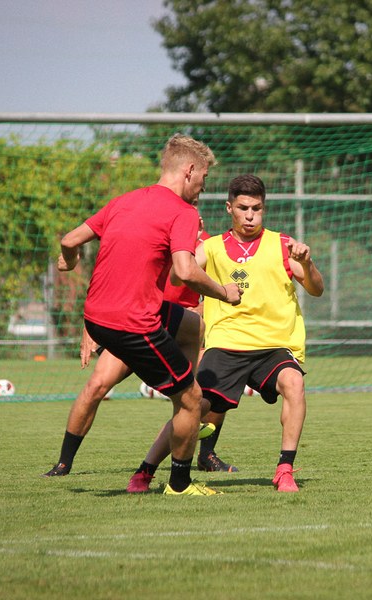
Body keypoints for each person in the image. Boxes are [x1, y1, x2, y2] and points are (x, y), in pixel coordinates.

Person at [57, 133, 242, 496]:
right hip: (133, 324)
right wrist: (224, 292)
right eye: (204, 178)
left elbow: (69, 240)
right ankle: (180, 482)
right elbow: (185, 271)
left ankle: (181, 404)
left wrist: (70, 260)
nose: (203, 187)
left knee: (192, 326)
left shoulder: (123, 201)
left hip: (96, 319)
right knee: (192, 398)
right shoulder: (183, 212)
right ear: (190, 170)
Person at [127, 173, 324, 494]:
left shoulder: (282, 245)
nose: (250, 215)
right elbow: (177, 277)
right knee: (193, 407)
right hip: (226, 346)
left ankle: (285, 470)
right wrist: (185, 246)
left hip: (273, 346)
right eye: (243, 208)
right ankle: (144, 472)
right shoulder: (211, 247)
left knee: (294, 382)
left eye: (257, 209)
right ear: (229, 208)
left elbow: (316, 289)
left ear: (264, 209)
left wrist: (308, 262)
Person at [42, 211, 236, 480]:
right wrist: (90, 326)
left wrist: (200, 310)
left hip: (181, 330)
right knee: (96, 385)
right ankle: (64, 463)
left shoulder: (210, 248)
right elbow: (110, 282)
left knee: (213, 383)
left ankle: (206, 455)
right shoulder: (150, 242)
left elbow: (225, 291)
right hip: (138, 325)